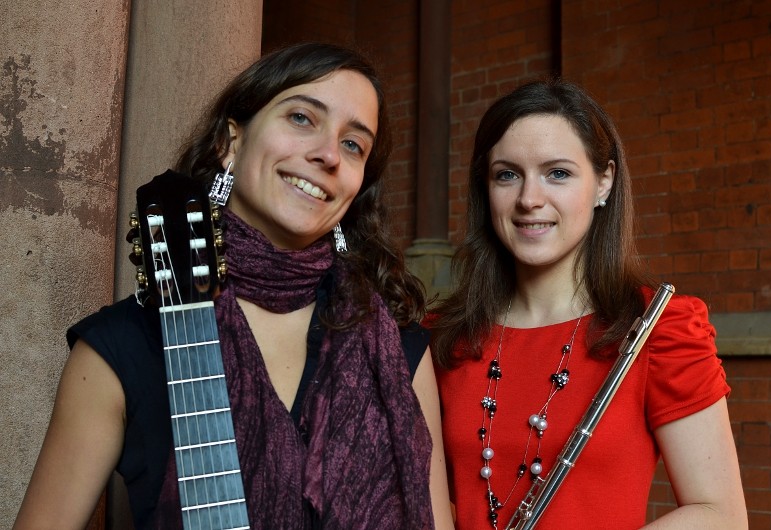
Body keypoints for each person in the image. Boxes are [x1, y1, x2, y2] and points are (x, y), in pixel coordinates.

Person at [14, 42, 453, 530]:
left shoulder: (396, 350)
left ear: (357, 186)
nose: (328, 153)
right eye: (302, 118)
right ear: (231, 142)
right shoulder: (121, 348)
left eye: (353, 145)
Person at [426, 79, 747, 529]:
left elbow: (721, 516)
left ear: (604, 182)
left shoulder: (658, 327)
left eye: (558, 173)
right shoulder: (441, 337)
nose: (529, 199)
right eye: (507, 174)